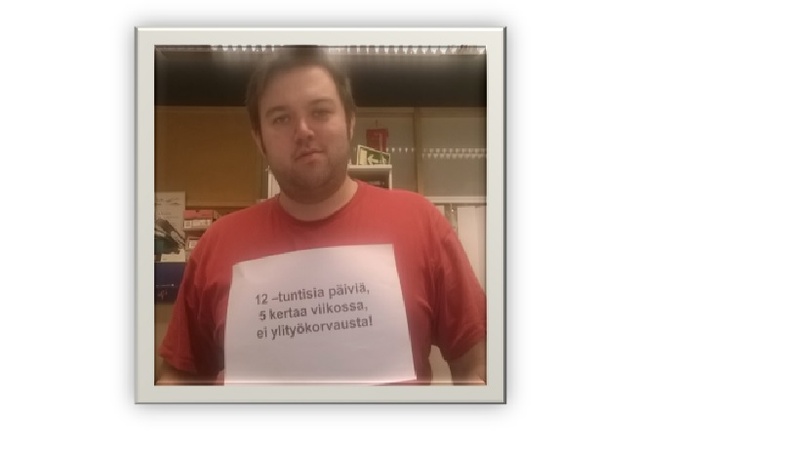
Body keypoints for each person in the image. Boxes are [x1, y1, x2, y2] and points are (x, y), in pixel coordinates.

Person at [157, 46, 486, 386]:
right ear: (259, 139)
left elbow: (477, 365)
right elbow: (177, 377)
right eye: (281, 118)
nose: (303, 130)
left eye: (320, 111)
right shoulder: (217, 244)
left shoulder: (420, 223)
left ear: (350, 121)